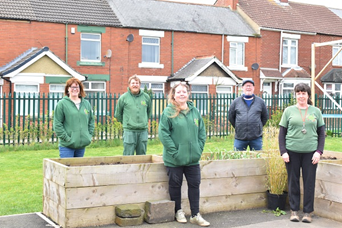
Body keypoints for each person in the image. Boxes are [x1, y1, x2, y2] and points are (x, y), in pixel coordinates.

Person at [158, 82, 210, 227]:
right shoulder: (168, 112)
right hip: (174, 159)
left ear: (188, 94)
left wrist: (198, 149)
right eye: (179, 92)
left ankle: (195, 214)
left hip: (193, 159)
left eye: (184, 92)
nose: (182, 94)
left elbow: (202, 132)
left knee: (195, 185)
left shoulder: (195, 112)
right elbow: (163, 134)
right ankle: (178, 211)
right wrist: (175, 152)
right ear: (173, 95)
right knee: (175, 185)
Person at [278, 83, 325, 223]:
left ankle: (308, 212)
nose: (301, 96)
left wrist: (319, 151)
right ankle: (294, 211)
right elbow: (282, 134)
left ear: (308, 95)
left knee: (309, 182)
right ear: (296, 95)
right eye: (298, 93)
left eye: (303, 93)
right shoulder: (289, 111)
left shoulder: (315, 111)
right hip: (291, 152)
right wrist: (283, 151)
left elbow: (321, 134)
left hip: (310, 153)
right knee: (293, 182)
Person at [53, 78, 94, 158]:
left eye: (77, 87)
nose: (74, 89)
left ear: (80, 89)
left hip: (81, 146)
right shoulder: (62, 104)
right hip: (67, 146)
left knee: (78, 169)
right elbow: (57, 124)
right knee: (67, 169)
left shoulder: (86, 104)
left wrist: (88, 135)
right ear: (68, 89)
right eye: (72, 87)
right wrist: (67, 138)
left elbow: (91, 121)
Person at [114, 75, 152, 155]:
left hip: (143, 131)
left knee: (142, 156)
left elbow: (149, 112)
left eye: (137, 83)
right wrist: (127, 122)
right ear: (129, 85)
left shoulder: (146, 97)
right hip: (129, 131)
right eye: (133, 83)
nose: (135, 85)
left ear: (139, 84)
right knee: (128, 155)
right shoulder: (123, 98)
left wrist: (144, 122)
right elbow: (118, 114)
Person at [228, 79, 269, 151]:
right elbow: (231, 117)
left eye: (250, 86)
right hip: (240, 138)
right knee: (238, 160)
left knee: (257, 160)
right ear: (242, 88)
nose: (248, 87)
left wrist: (257, 126)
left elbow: (265, 117)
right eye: (246, 86)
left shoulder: (260, 102)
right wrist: (238, 126)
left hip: (256, 138)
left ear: (253, 88)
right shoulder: (236, 102)